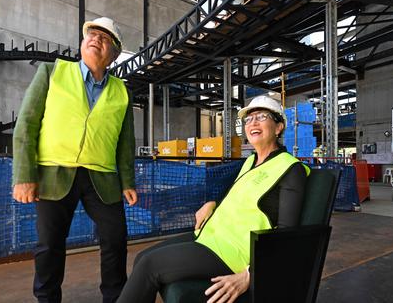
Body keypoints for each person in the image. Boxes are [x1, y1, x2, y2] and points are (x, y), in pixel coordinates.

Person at [117, 95, 309, 303]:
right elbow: (235, 195)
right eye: (248, 119)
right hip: (213, 237)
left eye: (261, 117)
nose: (253, 122)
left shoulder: (290, 169)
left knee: (149, 266)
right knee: (140, 258)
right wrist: (212, 203)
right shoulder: (251, 162)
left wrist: (250, 274)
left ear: (279, 127)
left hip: (235, 253)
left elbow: (287, 234)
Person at [12, 17, 138, 303]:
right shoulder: (52, 72)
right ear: (82, 43)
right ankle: (46, 299)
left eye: (105, 38)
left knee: (115, 239)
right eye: (91, 34)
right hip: (54, 173)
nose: (96, 39)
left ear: (114, 54)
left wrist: (128, 181)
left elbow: (125, 142)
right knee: (49, 245)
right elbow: (26, 125)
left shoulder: (121, 91)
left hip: (102, 177)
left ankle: (115, 298)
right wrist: (23, 175)